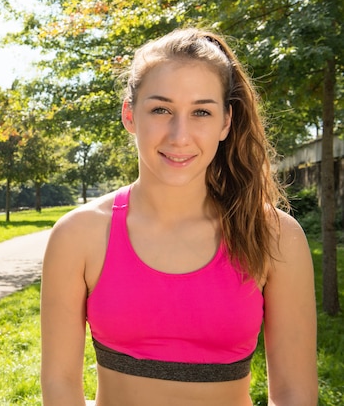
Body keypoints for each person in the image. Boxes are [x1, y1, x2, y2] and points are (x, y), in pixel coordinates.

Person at [40, 27, 318, 406]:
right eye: (161, 109)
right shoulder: (78, 235)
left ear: (225, 122)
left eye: (201, 111)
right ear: (129, 115)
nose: (179, 135)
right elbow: (59, 387)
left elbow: (295, 395)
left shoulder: (275, 235)